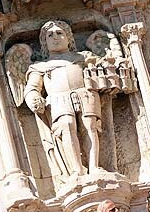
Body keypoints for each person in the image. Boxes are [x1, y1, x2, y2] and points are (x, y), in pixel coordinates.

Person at [23, 20, 103, 180]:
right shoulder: (40, 66)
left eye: (60, 33)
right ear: (44, 42)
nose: (55, 37)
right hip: (58, 100)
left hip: (85, 95)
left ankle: (94, 166)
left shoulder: (84, 58)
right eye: (50, 35)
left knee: (90, 126)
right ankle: (77, 170)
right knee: (66, 126)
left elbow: (101, 71)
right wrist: (34, 98)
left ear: (69, 38)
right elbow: (32, 87)